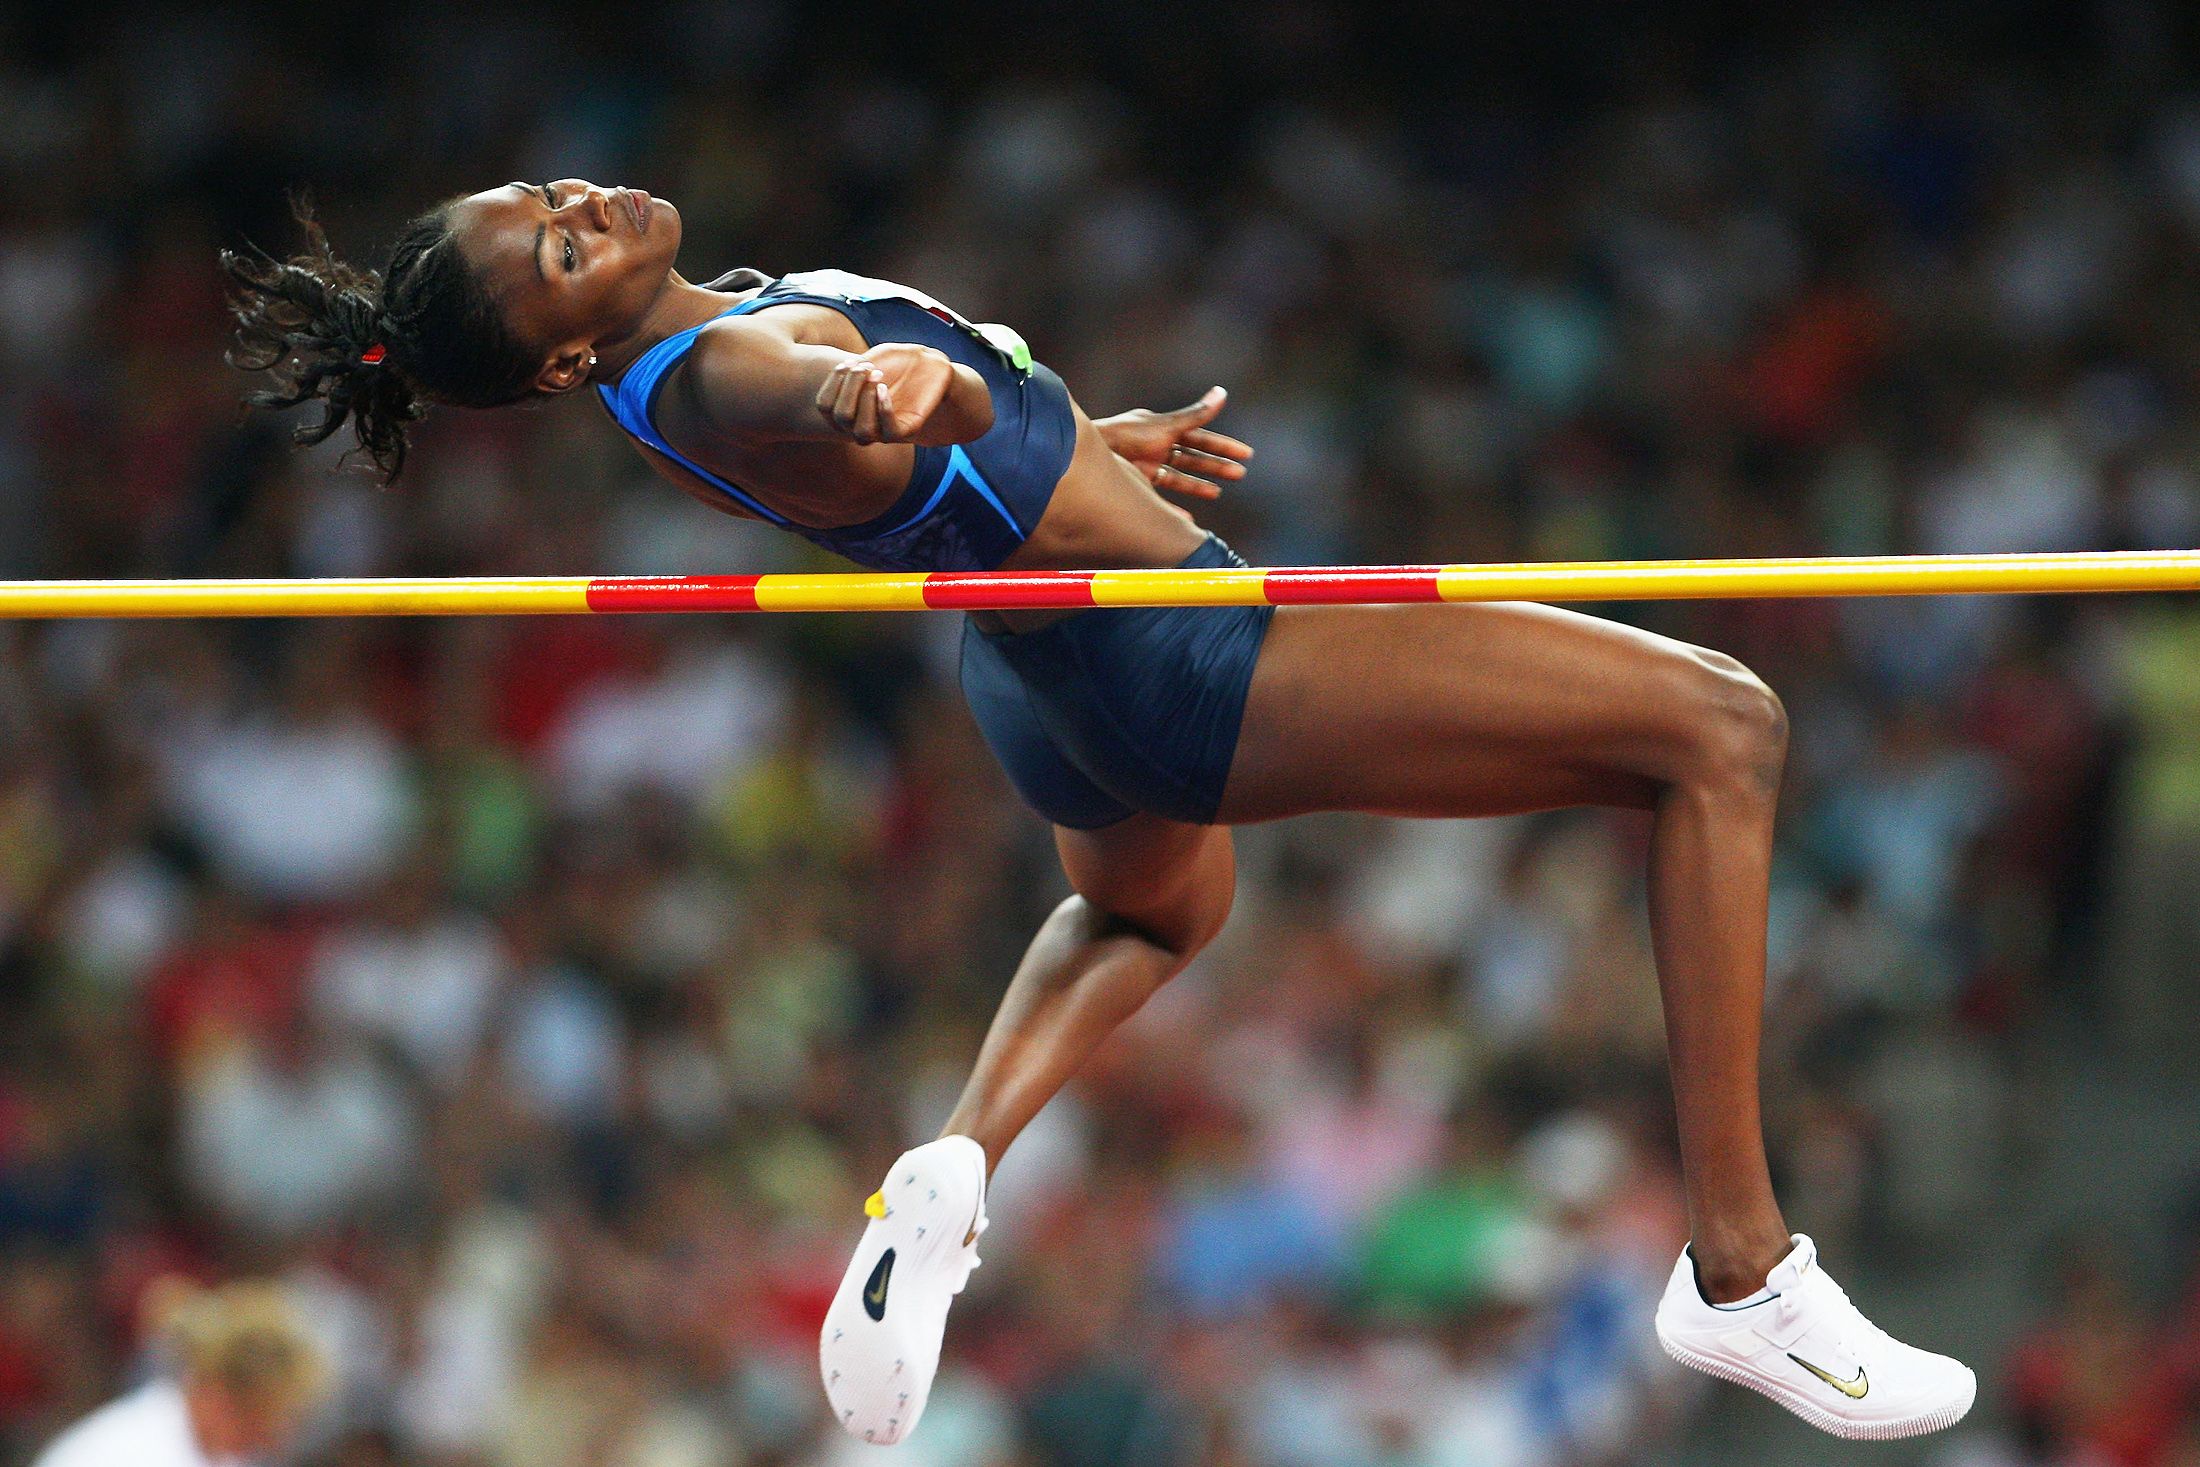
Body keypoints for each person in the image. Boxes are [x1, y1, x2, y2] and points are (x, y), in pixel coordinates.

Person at [221, 179, 1976, 1445]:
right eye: (554, 256)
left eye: (545, 198)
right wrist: (906, 394)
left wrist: (1073, 436)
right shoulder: (721, 373)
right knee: (1720, 732)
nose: (580, 212)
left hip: (1038, 674)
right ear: (553, 364)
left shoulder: (669, 343)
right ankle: (1742, 1271)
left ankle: (956, 1161)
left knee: (1156, 913)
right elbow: (854, 390)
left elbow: (942, 432)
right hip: (1171, 660)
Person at [33, 1280, 330, 1467]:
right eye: (258, 1427)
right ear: (218, 1396)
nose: (269, 1443)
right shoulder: (123, 1452)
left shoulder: (225, 1452)